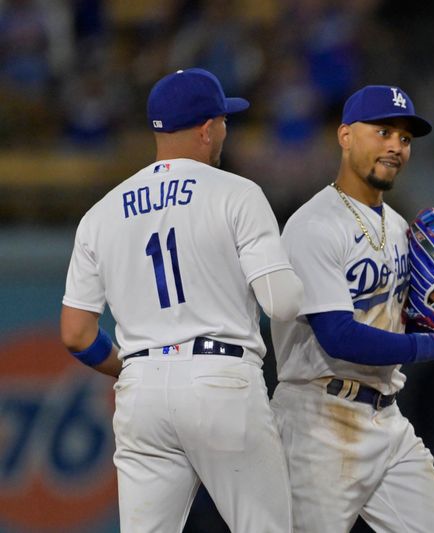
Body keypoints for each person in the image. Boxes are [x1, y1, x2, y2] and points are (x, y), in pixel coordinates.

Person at [59, 68, 303, 532]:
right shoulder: (237, 193)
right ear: (208, 127)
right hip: (221, 381)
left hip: (142, 388)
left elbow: (75, 334)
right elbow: (283, 303)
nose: (226, 130)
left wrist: (131, 366)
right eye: (224, 120)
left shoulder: (101, 213)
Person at [270, 84, 434, 532]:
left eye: (405, 138)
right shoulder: (314, 224)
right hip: (319, 420)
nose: (395, 146)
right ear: (346, 135)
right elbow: (339, 335)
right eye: (384, 132)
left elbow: (420, 321)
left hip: (386, 416)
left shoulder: (395, 226)